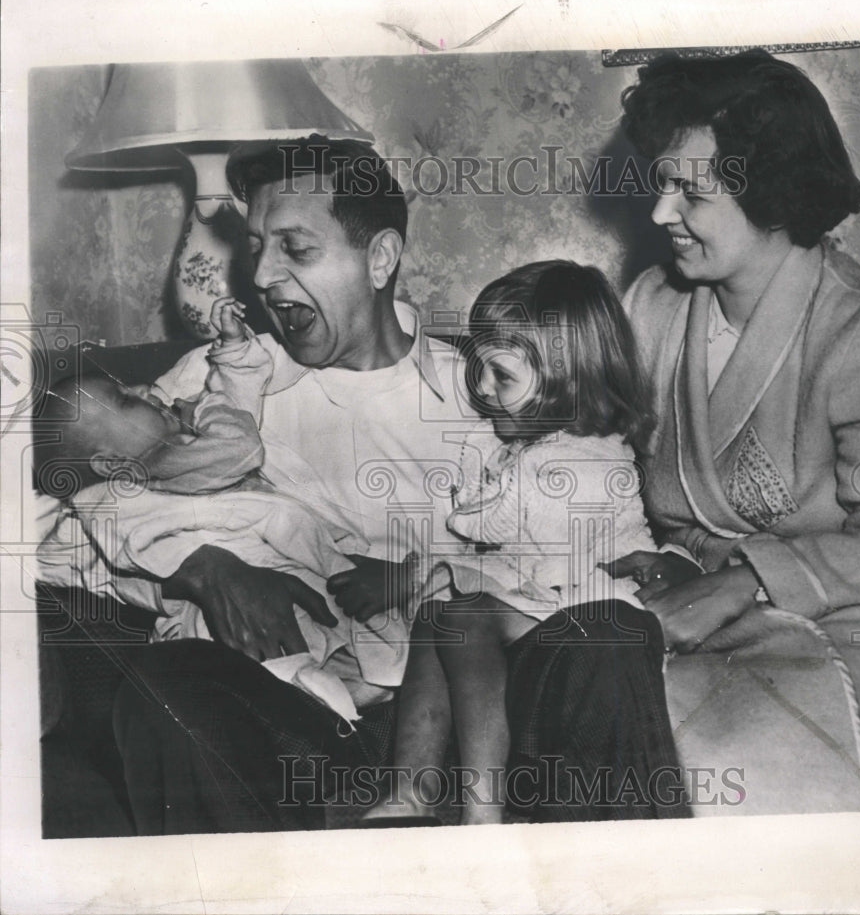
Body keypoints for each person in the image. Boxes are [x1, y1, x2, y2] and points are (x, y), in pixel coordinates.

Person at [37, 138, 683, 832]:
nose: (261, 275)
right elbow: (53, 494)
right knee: (161, 690)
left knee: (609, 636)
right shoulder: (218, 377)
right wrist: (199, 566)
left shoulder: (488, 392)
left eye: (296, 248)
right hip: (281, 706)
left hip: (458, 719)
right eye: (257, 246)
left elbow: (576, 521)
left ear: (379, 259)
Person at [603, 49, 860, 811]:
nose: (659, 214)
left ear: (768, 191)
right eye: (661, 183)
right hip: (693, 605)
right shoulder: (652, 306)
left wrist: (746, 581)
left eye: (689, 193)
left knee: (723, 754)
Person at [362, 261, 692, 825]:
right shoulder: (544, 443)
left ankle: (478, 810)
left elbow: (482, 526)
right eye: (480, 369)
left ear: (569, 383)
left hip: (582, 604)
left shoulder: (575, 460)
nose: (483, 390)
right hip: (546, 596)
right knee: (441, 615)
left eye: (501, 377)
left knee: (457, 614)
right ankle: (411, 786)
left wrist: (474, 469)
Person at [37, 295, 404, 718]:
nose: (142, 388)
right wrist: (210, 407)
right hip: (231, 601)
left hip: (288, 567)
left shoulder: (176, 448)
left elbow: (239, 417)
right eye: (124, 400)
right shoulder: (129, 484)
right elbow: (239, 444)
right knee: (268, 653)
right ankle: (314, 697)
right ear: (110, 464)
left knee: (346, 636)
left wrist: (234, 351)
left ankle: (340, 695)